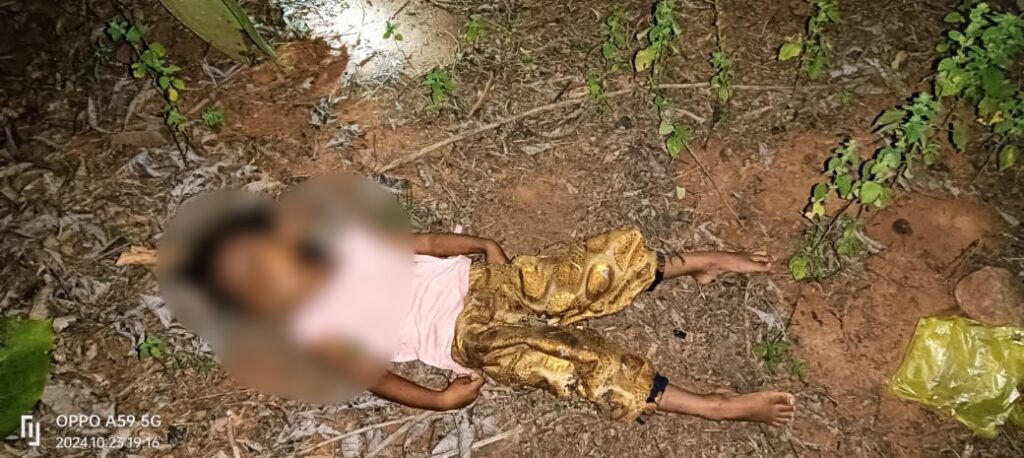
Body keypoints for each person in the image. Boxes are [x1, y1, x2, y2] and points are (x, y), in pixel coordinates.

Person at [174, 201, 796, 426]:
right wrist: (439, 402)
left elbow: (423, 242)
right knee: (575, 366)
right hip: (465, 340)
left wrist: (481, 246)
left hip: (482, 282)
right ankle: (712, 406)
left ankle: (696, 262)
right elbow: (374, 377)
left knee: (584, 271)